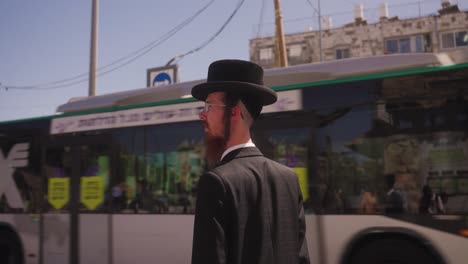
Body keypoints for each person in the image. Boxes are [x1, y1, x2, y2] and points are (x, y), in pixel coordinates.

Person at [191, 59, 310, 264]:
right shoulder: (288, 178)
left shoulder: (216, 182)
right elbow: (302, 258)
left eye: (209, 105)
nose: (202, 114)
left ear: (234, 112)